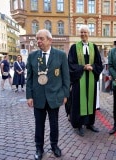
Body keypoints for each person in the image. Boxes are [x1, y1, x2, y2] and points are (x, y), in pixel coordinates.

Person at [26, 29, 70, 159]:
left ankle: (54, 145)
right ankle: (39, 148)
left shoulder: (60, 55)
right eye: (37, 39)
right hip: (38, 97)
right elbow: (29, 78)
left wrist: (65, 94)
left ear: (50, 40)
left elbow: (66, 77)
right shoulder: (32, 56)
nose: (38, 41)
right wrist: (29, 96)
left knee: (54, 124)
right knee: (39, 124)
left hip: (54, 96)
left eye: (41, 39)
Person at [68, 25, 103, 137]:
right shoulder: (74, 47)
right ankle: (78, 125)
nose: (83, 34)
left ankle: (89, 124)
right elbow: (71, 64)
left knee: (90, 101)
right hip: (79, 80)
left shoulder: (94, 47)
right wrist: (83, 67)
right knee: (78, 102)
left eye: (85, 32)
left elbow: (99, 63)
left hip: (91, 79)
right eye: (81, 32)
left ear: (89, 33)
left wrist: (92, 67)